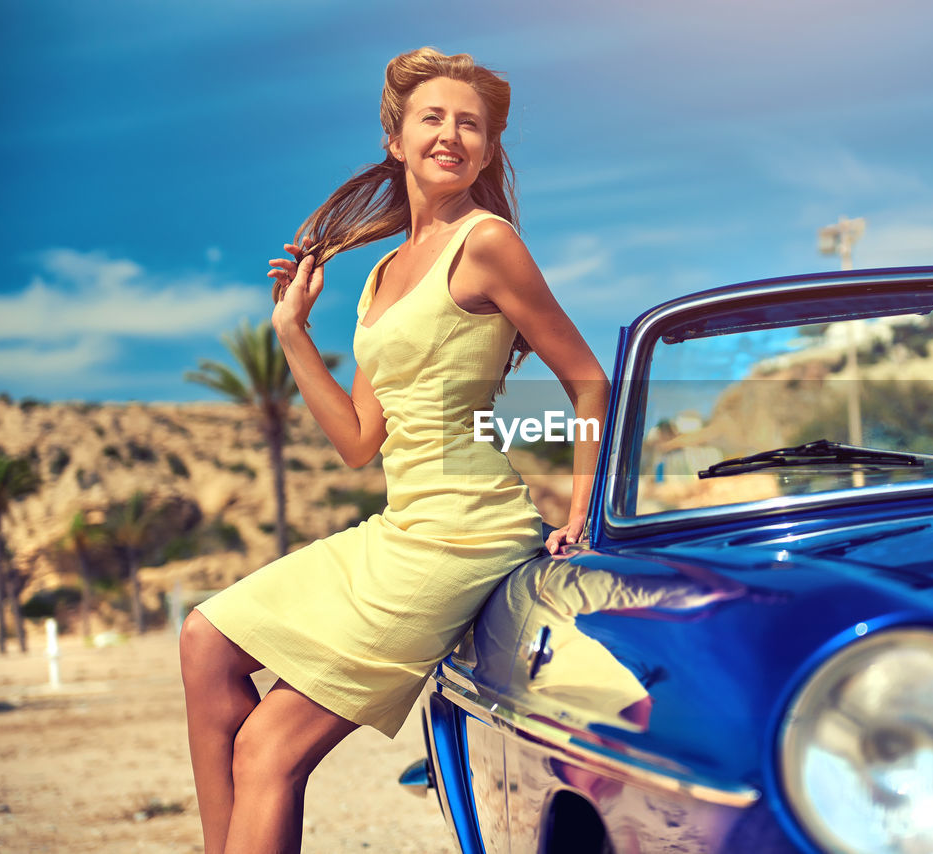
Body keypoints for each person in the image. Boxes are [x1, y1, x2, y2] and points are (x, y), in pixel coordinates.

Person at [179, 47, 609, 853]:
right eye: (433, 118)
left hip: (465, 534)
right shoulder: (379, 272)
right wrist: (292, 334)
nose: (452, 135)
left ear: (487, 148)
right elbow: (357, 441)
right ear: (396, 139)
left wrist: (580, 516)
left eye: (471, 125)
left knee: (269, 749)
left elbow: (590, 381)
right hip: (401, 525)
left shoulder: (486, 243)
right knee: (205, 640)